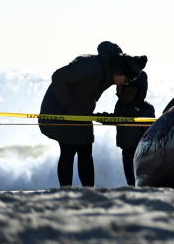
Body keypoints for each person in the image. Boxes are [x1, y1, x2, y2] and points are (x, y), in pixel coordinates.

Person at [39, 42, 147, 188]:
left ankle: (89, 191)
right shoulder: (91, 65)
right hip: (59, 108)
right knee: (68, 149)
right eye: (127, 80)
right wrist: (70, 105)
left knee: (85, 150)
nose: (126, 84)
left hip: (81, 112)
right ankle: (65, 190)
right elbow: (58, 76)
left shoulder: (110, 74)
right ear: (120, 71)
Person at [113, 70, 155, 186]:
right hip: (126, 148)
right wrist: (105, 118)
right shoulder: (120, 104)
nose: (127, 89)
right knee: (130, 179)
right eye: (125, 86)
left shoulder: (146, 108)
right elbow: (116, 118)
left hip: (142, 151)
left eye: (131, 86)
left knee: (140, 177)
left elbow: (150, 131)